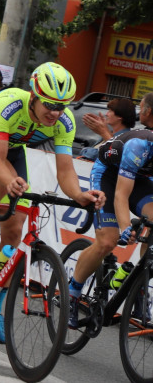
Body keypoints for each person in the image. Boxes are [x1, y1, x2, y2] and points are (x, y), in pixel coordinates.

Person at [0, 63, 103, 302]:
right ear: (33, 96)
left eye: (62, 106)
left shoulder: (64, 123)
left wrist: (79, 195)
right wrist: (9, 181)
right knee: (3, 180)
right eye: (50, 104)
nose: (55, 112)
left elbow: (65, 170)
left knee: (15, 230)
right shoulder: (9, 104)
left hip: (12, 150)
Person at [68, 93, 153, 328]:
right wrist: (126, 226)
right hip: (108, 176)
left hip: (138, 177)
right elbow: (121, 195)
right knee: (108, 241)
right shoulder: (140, 144)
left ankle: (138, 281)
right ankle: (71, 295)